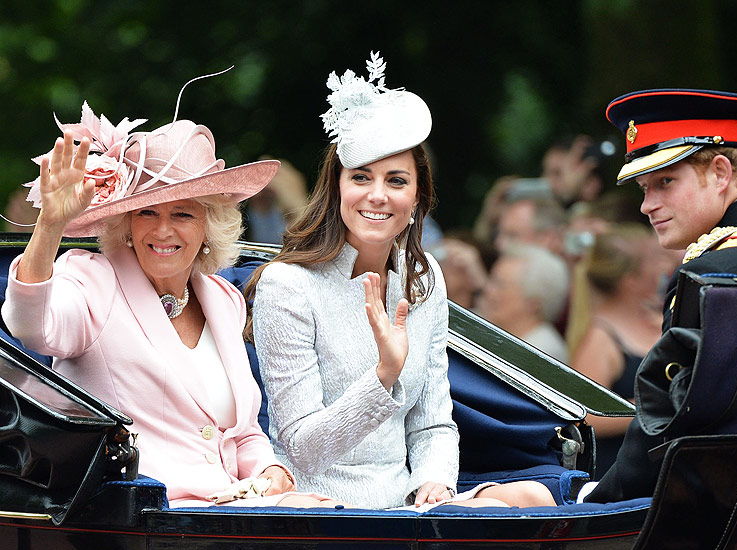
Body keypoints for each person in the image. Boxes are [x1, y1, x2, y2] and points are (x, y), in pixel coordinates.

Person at [246, 52, 555, 510]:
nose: (377, 195)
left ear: (417, 197)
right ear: (336, 189)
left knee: (536, 496)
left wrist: (434, 483)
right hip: (319, 505)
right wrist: (384, 375)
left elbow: (433, 423)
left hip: (406, 503)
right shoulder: (288, 286)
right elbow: (301, 447)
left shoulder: (424, 276)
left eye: (395, 180)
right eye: (361, 178)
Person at [1, 98, 339, 509]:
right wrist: (50, 225)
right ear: (126, 223)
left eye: (182, 214)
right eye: (146, 212)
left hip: (230, 511)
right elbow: (29, 324)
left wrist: (270, 471)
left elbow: (242, 433)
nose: (162, 230)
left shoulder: (224, 299)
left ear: (209, 226)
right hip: (137, 522)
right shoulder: (93, 279)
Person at [582, 88, 737, 503]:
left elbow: (666, 427)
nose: (647, 205)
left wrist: (595, 502)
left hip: (710, 523)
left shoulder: (704, 273)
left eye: (665, 182)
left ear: (721, 173)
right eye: (644, 188)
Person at [569, 224, 666, 477]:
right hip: (624, 475)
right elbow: (586, 418)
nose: (663, 267)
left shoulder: (661, 317)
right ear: (630, 280)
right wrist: (655, 409)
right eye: (653, 260)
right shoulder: (600, 337)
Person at [475, 244, 570, 362]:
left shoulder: (543, 353)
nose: (488, 290)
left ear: (533, 304)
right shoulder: (481, 324)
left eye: (500, 285)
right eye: (492, 280)